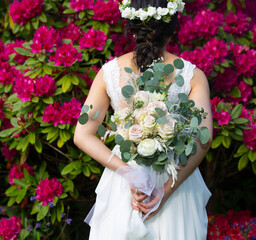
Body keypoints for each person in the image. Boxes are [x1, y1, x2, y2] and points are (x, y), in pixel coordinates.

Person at [73, 0, 213, 239]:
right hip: (175, 179)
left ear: (132, 26)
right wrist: (166, 190)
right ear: (173, 26)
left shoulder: (110, 73)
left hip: (126, 185)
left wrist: (128, 172)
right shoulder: (192, 75)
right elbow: (204, 138)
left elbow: (82, 135)